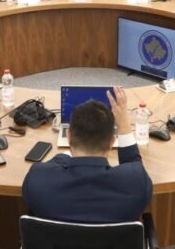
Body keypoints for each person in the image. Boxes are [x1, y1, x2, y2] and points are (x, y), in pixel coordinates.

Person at [22, 86, 153, 223]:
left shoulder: (37, 178)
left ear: (68, 137)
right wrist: (124, 125)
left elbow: (50, 168)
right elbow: (134, 166)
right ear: (112, 142)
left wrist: (64, 156)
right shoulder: (136, 183)